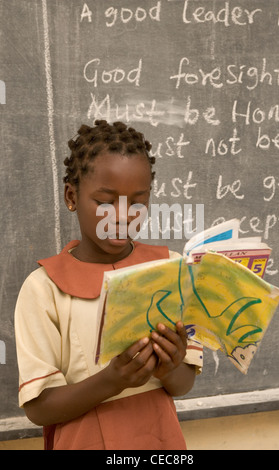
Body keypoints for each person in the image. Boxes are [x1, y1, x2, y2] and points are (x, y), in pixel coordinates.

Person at [15, 120, 202, 450]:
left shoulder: (170, 270)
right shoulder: (44, 288)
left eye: (138, 202)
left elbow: (183, 383)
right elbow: (38, 407)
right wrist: (111, 381)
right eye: (105, 202)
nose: (122, 216)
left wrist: (171, 365)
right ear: (72, 196)